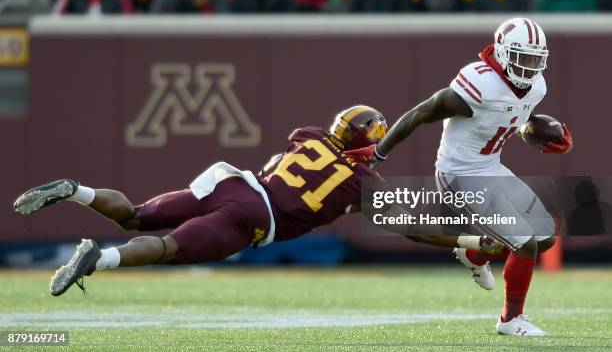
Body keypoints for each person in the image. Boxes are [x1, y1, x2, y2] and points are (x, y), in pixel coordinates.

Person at [345, 17, 574, 336]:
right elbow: (420, 113)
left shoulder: (537, 86)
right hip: (460, 175)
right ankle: (510, 320)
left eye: (536, 59)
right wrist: (380, 152)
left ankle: (475, 252)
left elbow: (512, 116)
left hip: (492, 168)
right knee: (524, 243)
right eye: (524, 58)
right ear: (504, 52)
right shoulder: (478, 84)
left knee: (545, 236)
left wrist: (536, 133)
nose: (530, 67)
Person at [14, 107, 388, 297]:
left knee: (134, 215)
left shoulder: (310, 136)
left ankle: (75, 190)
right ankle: (101, 258)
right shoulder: (360, 182)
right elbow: (403, 214)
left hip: (232, 183)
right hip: (253, 216)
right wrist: (448, 234)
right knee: (166, 248)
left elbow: (281, 167)